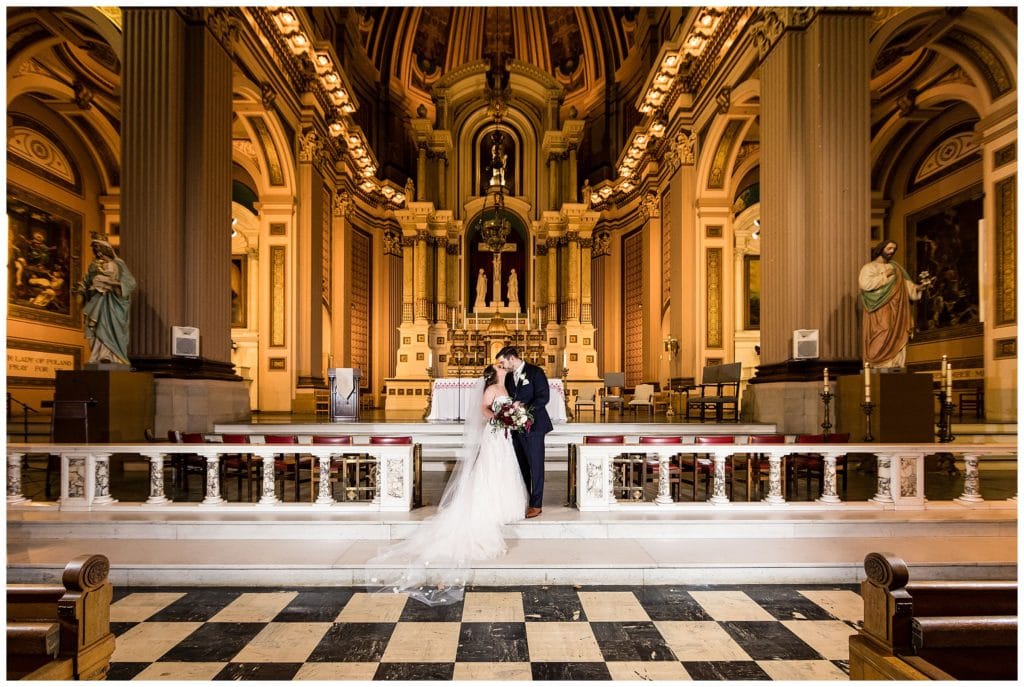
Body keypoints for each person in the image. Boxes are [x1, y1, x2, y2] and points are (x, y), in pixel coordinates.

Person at [368, 364, 527, 605]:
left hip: (503, 436)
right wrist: (500, 416)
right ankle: (491, 505)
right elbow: (484, 409)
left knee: (503, 468)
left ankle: (503, 503)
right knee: (489, 469)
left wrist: (513, 417)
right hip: (494, 434)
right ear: (495, 372)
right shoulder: (492, 388)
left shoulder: (505, 386)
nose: (504, 366)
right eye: (500, 365)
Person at [496, 345, 553, 518]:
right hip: (516, 427)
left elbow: (544, 397)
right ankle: (525, 499)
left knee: (536, 466)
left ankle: (536, 504)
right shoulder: (507, 377)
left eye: (502, 362)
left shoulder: (535, 372)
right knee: (521, 466)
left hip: (534, 426)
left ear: (512, 358)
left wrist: (525, 407)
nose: (502, 366)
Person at [858, 240, 931, 369]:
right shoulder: (869, 267)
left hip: (897, 311)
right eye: (889, 248)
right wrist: (885, 275)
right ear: (881, 249)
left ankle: (894, 363)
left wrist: (919, 287)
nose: (892, 251)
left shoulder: (896, 268)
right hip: (879, 309)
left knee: (897, 334)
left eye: (894, 249)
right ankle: (879, 364)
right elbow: (865, 284)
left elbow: (906, 286)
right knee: (882, 333)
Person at [77, 234, 136, 365]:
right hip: (98, 300)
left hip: (113, 302)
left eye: (99, 249)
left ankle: (111, 356)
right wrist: (82, 290)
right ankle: (98, 356)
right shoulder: (94, 266)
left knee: (109, 327)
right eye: (95, 250)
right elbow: (86, 282)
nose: (98, 252)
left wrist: (112, 284)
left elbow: (130, 283)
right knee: (96, 326)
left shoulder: (118, 263)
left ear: (106, 249)